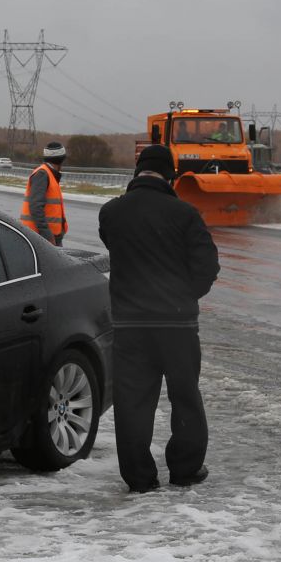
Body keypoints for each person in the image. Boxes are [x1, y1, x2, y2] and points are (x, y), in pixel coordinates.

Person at [98, 144, 220, 493]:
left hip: (130, 325)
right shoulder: (185, 214)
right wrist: (183, 298)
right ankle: (185, 469)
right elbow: (208, 266)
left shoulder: (112, 212)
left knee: (133, 401)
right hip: (176, 326)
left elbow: (114, 245)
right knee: (184, 395)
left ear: (137, 172)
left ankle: (139, 478)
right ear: (171, 176)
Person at [21, 142, 68, 247]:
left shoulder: (49, 174)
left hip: (47, 236)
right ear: (61, 159)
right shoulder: (42, 174)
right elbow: (36, 207)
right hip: (40, 237)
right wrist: (47, 234)